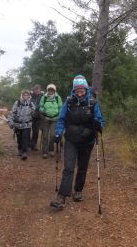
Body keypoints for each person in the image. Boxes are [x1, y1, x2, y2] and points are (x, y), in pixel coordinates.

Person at [50, 75, 105, 209]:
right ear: (74, 91)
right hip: (71, 140)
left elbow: (100, 119)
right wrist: (58, 133)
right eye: (77, 90)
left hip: (87, 141)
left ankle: (78, 190)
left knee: (82, 167)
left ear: (86, 90)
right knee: (68, 167)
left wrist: (99, 125)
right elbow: (62, 119)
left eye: (82, 90)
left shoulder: (92, 103)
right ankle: (62, 197)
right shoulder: (69, 102)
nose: (80, 92)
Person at [8, 90, 36, 160]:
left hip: (27, 124)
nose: (25, 96)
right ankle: (20, 148)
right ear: (22, 95)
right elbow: (12, 113)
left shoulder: (31, 104)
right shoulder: (17, 103)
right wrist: (10, 122)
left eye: (27, 95)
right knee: (19, 138)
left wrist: (34, 113)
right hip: (18, 124)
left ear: (29, 96)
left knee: (25, 138)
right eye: (24, 95)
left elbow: (34, 113)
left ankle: (24, 152)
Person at [39, 84, 62, 159]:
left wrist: (59, 113)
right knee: (45, 136)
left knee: (52, 135)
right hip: (46, 119)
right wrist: (43, 111)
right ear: (47, 90)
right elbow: (41, 106)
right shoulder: (44, 97)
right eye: (49, 90)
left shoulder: (57, 98)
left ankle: (51, 150)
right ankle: (45, 152)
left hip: (55, 119)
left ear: (54, 90)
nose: (50, 91)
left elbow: (61, 107)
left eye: (52, 90)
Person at [30, 85, 43, 151]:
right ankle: (28, 143)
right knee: (28, 131)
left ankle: (33, 144)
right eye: (36, 90)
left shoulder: (42, 96)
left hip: (38, 116)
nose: (37, 91)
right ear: (34, 90)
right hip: (30, 116)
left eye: (38, 90)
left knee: (36, 131)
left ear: (40, 90)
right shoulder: (30, 96)